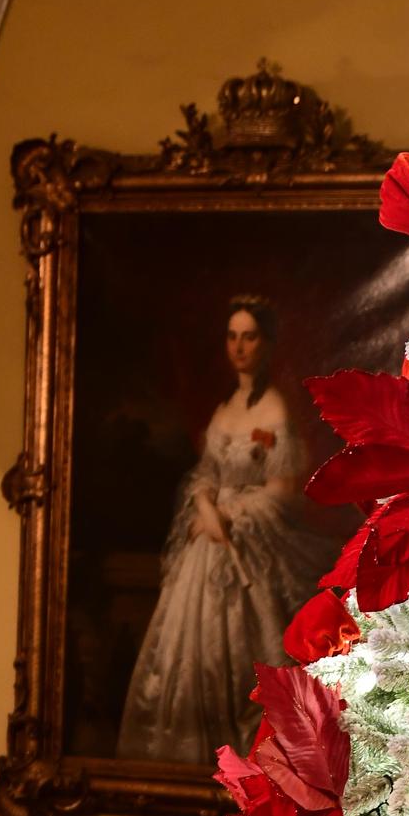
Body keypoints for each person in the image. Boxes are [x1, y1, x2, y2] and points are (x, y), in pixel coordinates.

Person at [117, 296, 328, 768]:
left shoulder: (274, 409)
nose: (239, 346)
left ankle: (249, 752)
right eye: (232, 336)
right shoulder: (224, 408)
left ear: (267, 344)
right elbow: (208, 472)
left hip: (248, 544)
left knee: (250, 649)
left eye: (249, 336)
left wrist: (229, 516)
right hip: (206, 541)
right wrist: (205, 502)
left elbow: (281, 490)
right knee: (186, 646)